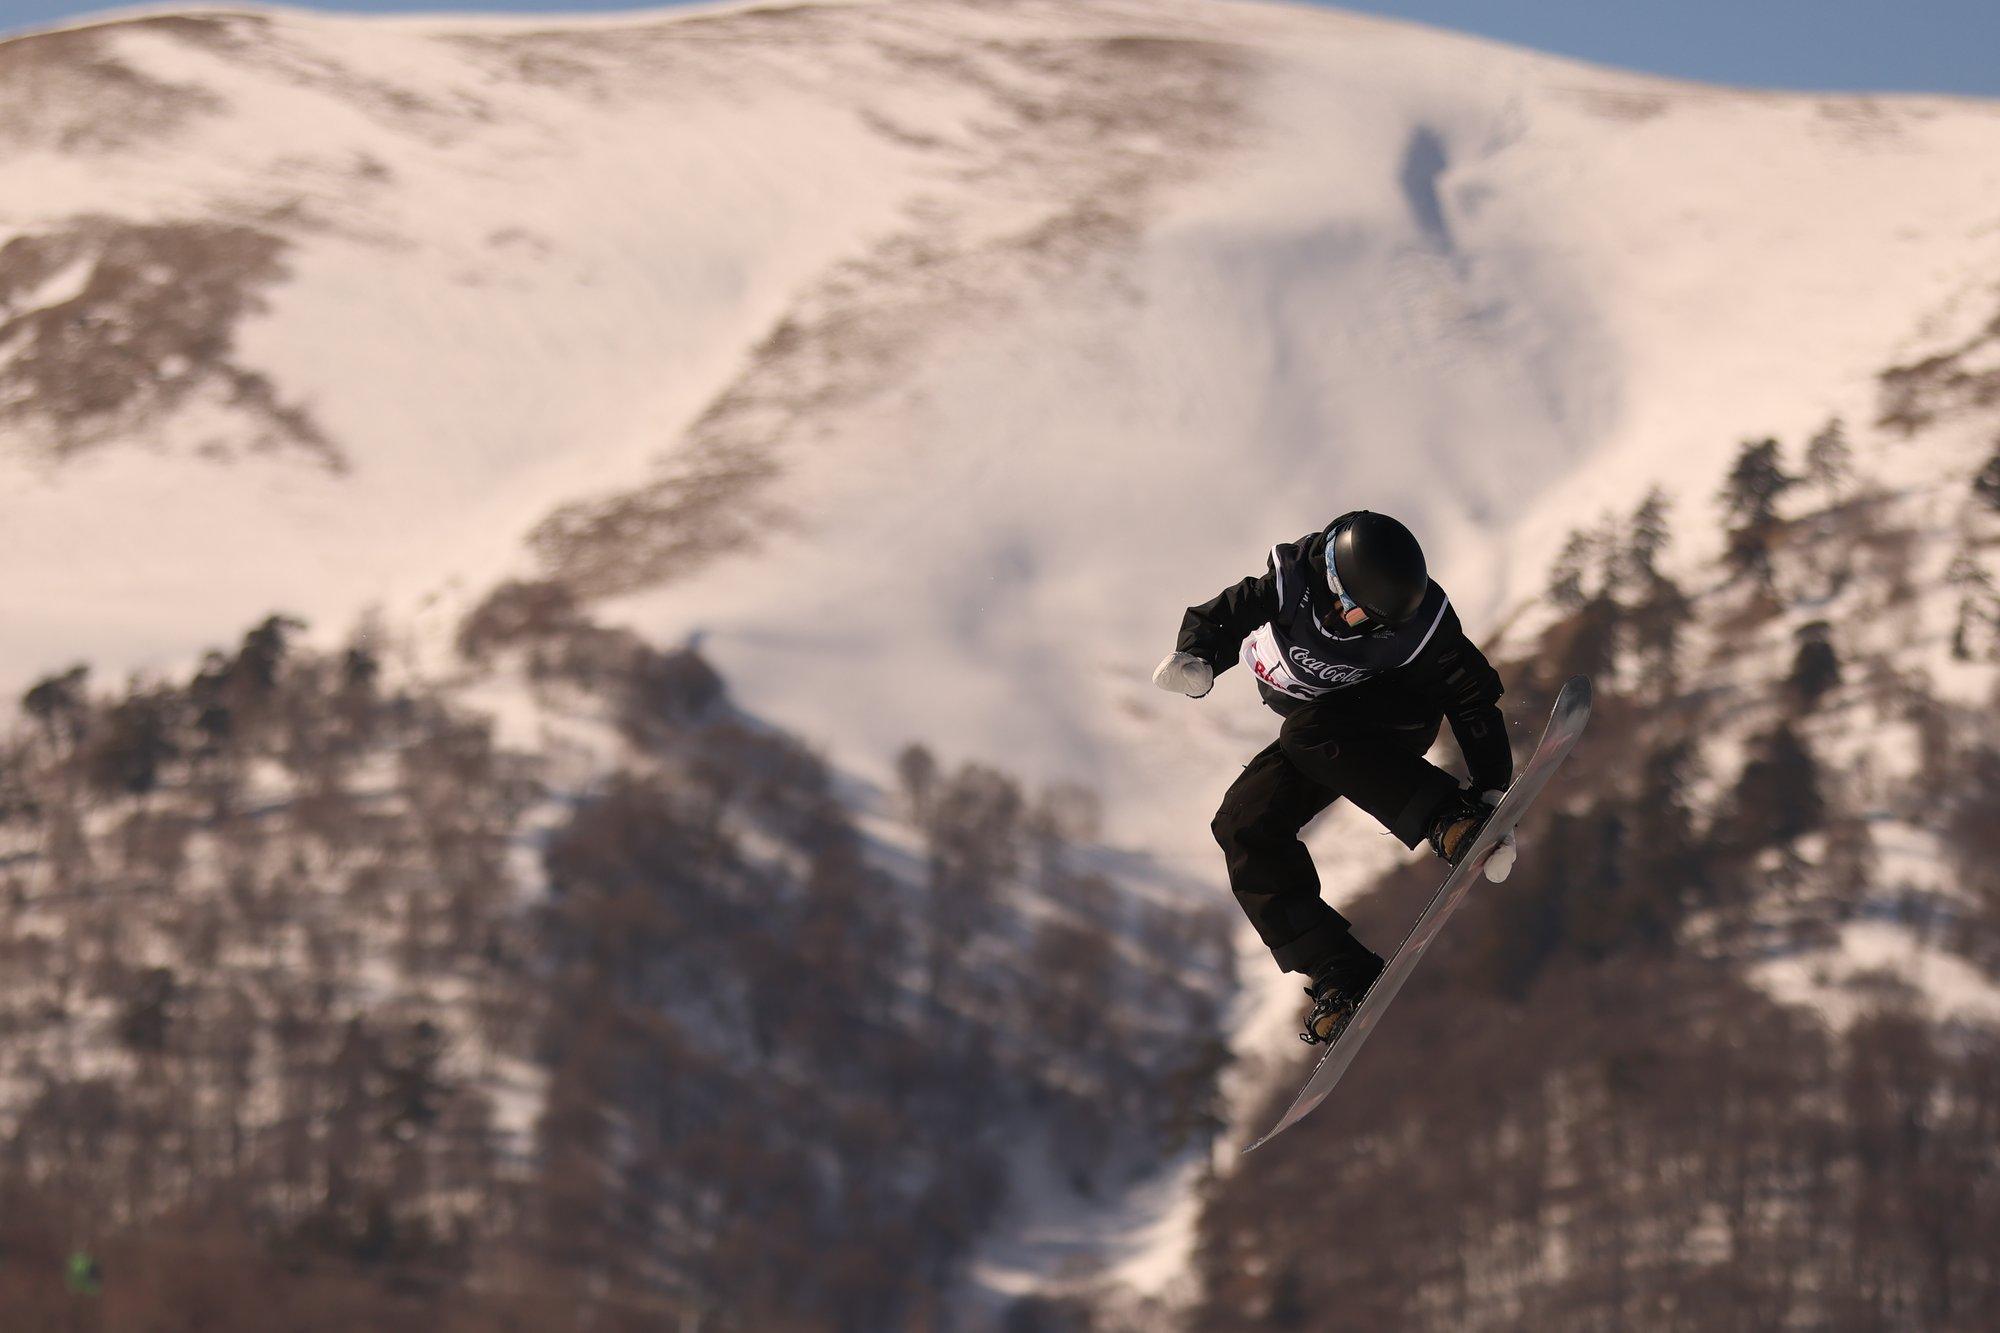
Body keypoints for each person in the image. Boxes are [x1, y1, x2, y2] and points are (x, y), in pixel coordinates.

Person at [1152, 511, 1514, 1046]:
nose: (1369, 628)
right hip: (1328, 736)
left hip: (1392, 723)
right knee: (1243, 822)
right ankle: (1338, 969)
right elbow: (1227, 613)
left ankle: (1444, 816)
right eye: (1362, 614)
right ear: (1334, 584)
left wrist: (1489, 792)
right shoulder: (1291, 582)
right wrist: (1197, 654)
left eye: (1382, 621)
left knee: (1307, 730)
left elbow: (1471, 697)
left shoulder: (1422, 627)